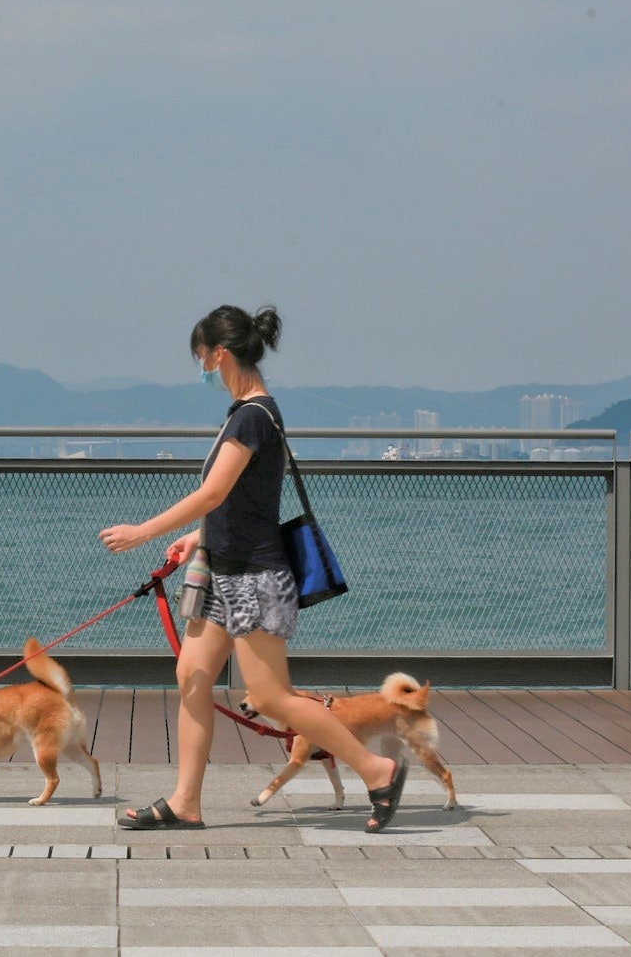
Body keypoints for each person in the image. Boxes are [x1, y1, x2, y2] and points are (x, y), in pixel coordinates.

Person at [99, 305, 408, 832]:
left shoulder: (251, 415)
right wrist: (196, 536)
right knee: (192, 675)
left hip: (254, 577)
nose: (201, 367)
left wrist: (142, 532)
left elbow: (214, 491)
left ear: (220, 353)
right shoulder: (249, 413)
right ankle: (185, 802)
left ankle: (378, 769)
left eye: (201, 356)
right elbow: (245, 500)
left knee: (270, 697)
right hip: (223, 569)